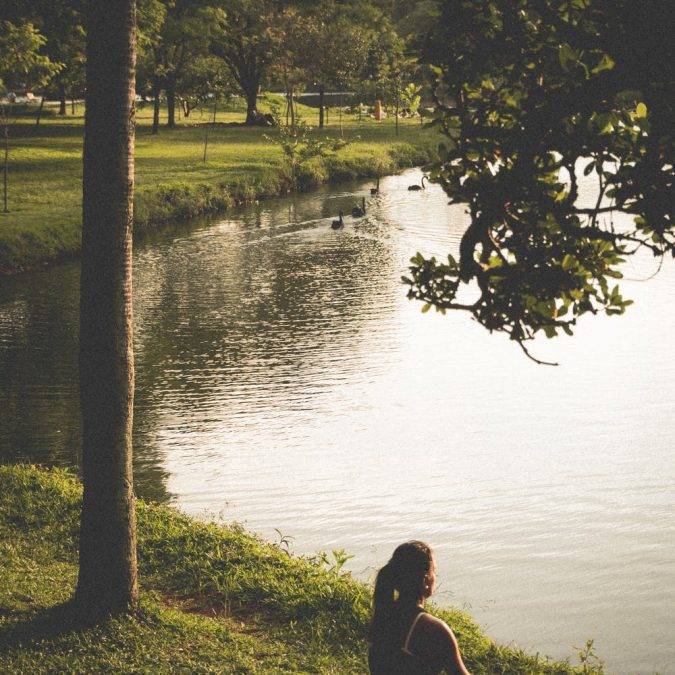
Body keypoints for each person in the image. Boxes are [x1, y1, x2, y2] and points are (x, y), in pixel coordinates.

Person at [369, 541, 471, 675]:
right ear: (425, 580)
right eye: (434, 570)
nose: (435, 576)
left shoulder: (382, 618)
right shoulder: (434, 629)